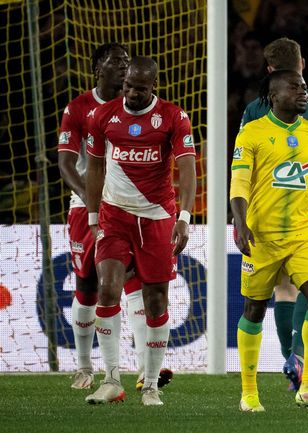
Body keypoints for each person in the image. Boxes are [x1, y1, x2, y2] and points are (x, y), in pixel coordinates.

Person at [57, 42, 173, 393]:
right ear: (98, 69)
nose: (124, 66)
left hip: (133, 213)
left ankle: (142, 371)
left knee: (138, 283)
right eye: (116, 62)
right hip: (87, 208)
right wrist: (95, 202)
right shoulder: (79, 108)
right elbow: (65, 163)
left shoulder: (143, 111)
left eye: (127, 61)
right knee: (89, 286)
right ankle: (83, 366)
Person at [84, 56, 196, 406]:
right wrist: (92, 216)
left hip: (157, 216)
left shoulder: (174, 117)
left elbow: (188, 167)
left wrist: (185, 216)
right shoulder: (102, 116)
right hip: (114, 214)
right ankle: (111, 378)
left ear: (153, 87)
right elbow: (95, 167)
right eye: (128, 85)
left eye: (140, 88)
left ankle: (149, 385)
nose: (132, 92)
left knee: (156, 300)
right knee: (107, 290)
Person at [231, 69, 308, 413]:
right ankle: (249, 394)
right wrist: (239, 222)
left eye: (305, 87)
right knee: (253, 309)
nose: (303, 93)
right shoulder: (252, 133)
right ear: (274, 95)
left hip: (302, 234)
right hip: (262, 236)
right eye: (295, 88)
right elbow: (239, 182)